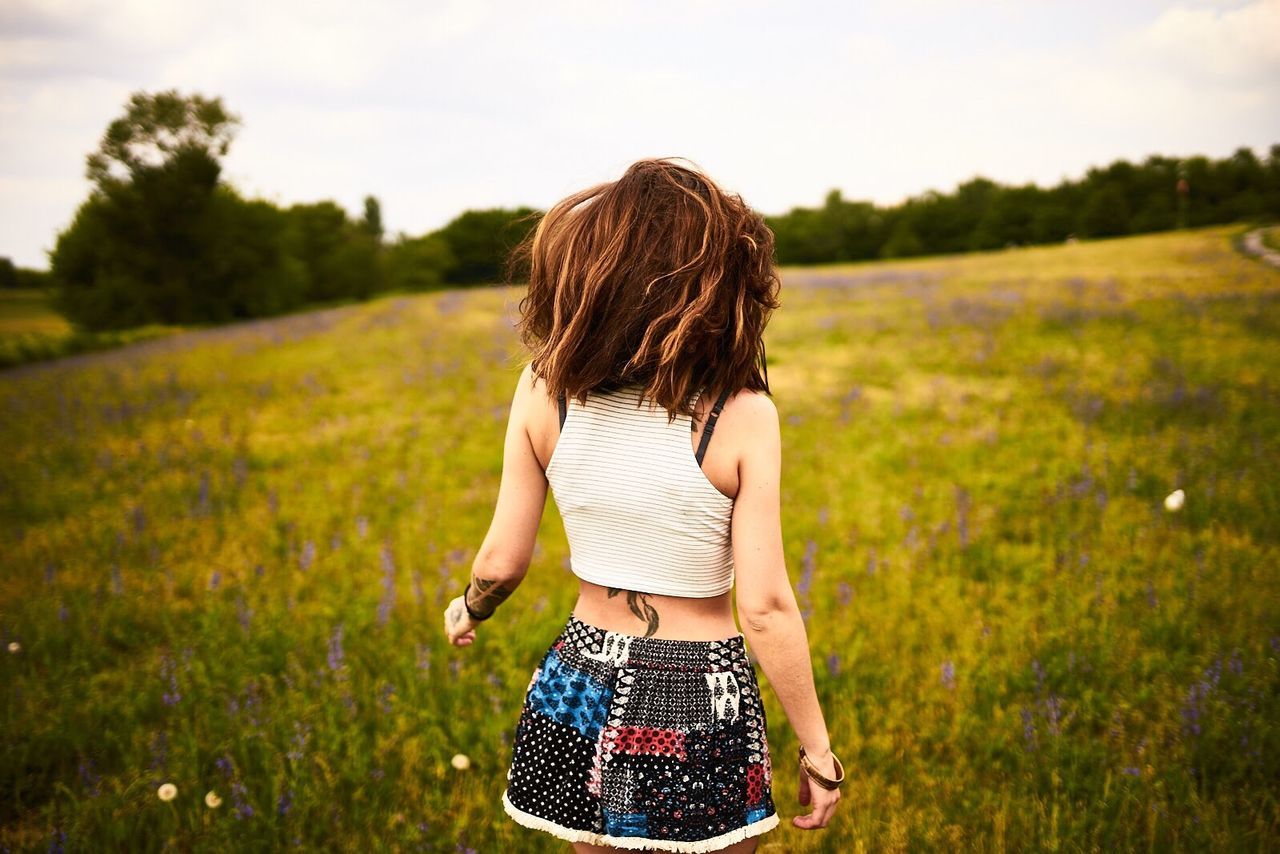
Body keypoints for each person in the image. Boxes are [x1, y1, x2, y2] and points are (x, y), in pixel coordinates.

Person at [444, 157, 843, 852]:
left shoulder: (544, 390)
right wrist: (817, 752)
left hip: (578, 679)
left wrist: (470, 606)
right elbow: (766, 609)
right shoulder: (742, 413)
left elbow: (502, 561)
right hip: (699, 690)